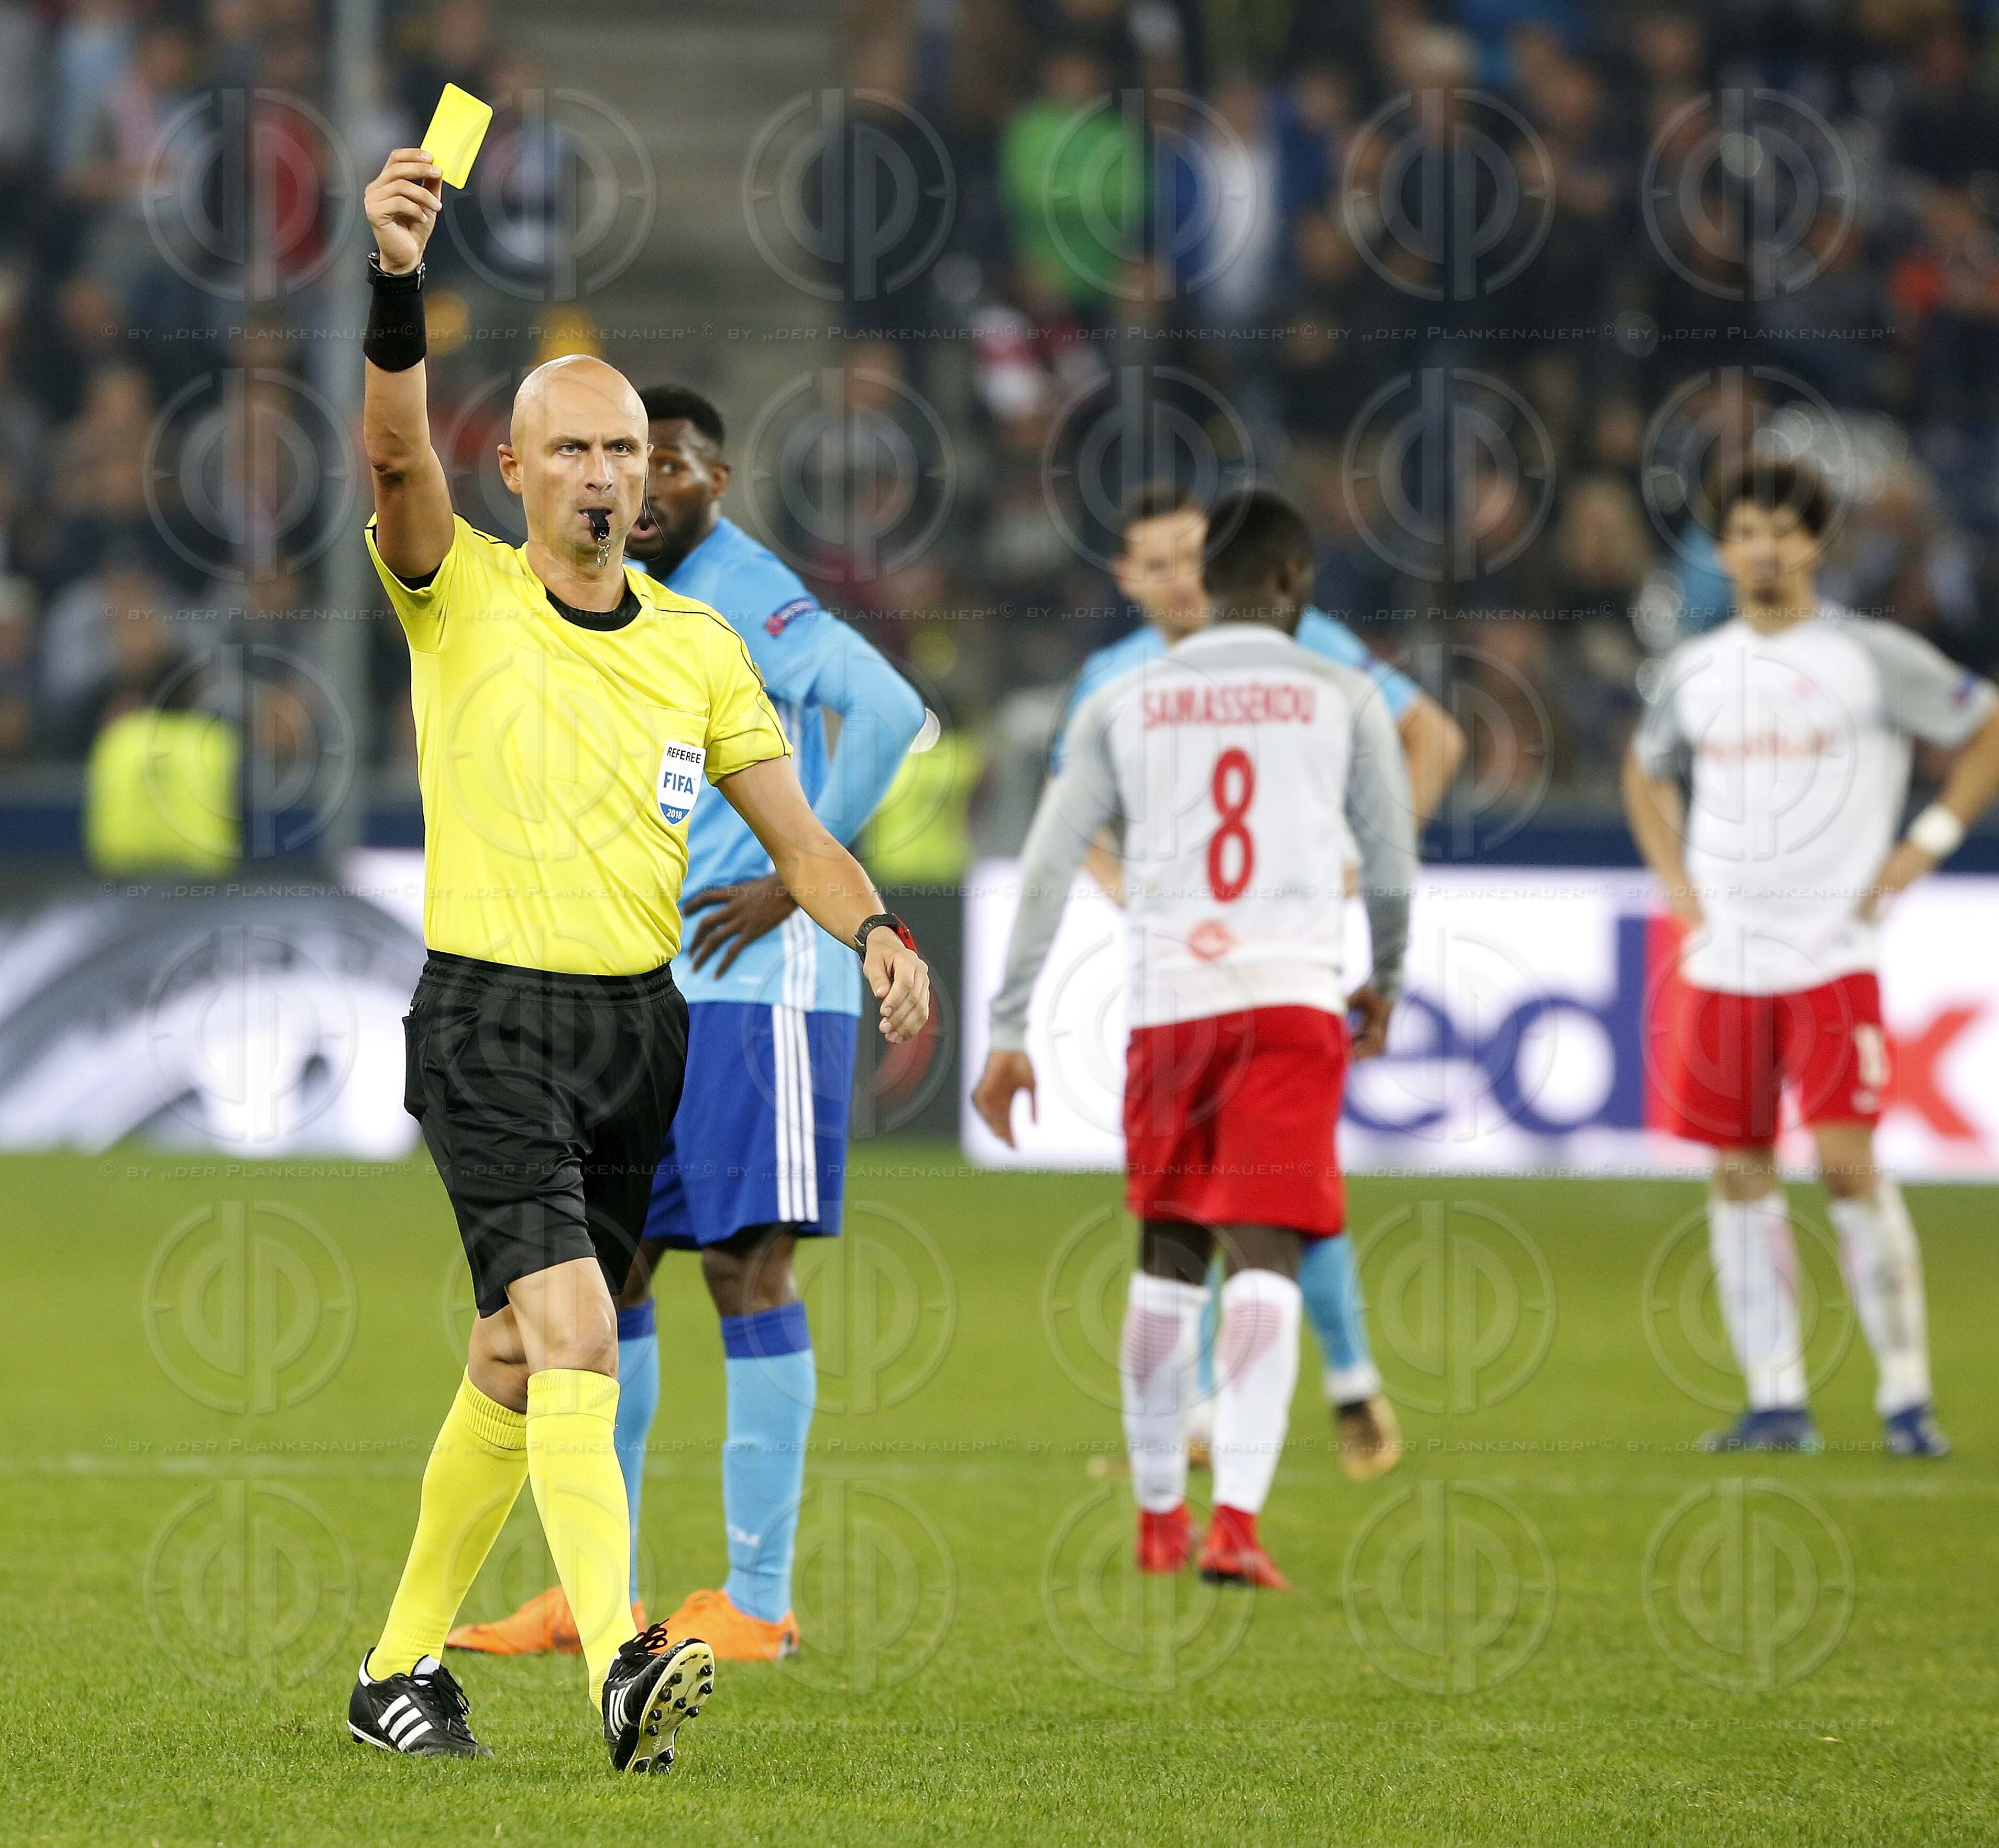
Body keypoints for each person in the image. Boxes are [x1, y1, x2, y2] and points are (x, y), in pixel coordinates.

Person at [346, 148, 930, 1772]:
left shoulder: (697, 646)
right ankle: (622, 1658)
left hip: (640, 1032)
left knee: (513, 1362)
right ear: (518, 471)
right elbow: (392, 445)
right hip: (488, 1025)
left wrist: (873, 928)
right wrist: (395, 283)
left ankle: (398, 1671)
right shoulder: (452, 591)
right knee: (587, 1336)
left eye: (627, 449)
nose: (608, 471)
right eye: (576, 448)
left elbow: (796, 832)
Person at [446, 383, 925, 1664]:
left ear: (718, 476)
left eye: (670, 463)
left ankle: (759, 1602)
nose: (644, 487)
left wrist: (797, 877)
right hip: (663, 987)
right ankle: (604, 1595)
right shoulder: (628, 603)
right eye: (623, 460)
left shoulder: (747, 589)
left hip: (764, 991)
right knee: (618, 1277)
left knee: (745, 1268)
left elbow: (889, 711)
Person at [973, 489, 1416, 1588]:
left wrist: (1009, 1025)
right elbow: (1395, 865)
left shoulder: (1124, 697)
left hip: (1172, 1005)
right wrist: (1388, 977)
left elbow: (1045, 863)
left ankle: (1159, 1517)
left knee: (1168, 1261)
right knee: (1264, 1256)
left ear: (1208, 581)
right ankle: (1240, 1528)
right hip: (1290, 998)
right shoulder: (1344, 693)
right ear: (1296, 587)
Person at [1052, 480, 1463, 1483]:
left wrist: (1370, 849)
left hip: (1283, 959)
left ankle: (1351, 1381)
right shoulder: (1114, 674)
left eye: (1194, 555)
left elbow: (1437, 738)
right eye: (1157, 564)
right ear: (1128, 578)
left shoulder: (1304, 638)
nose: (1181, 579)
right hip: (1178, 973)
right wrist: (1122, 891)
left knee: (1279, 1184)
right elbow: (1073, 817)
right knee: (1192, 1198)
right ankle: (1197, 1424)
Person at [1623, 457, 1999, 1457]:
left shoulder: (1870, 656)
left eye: (1782, 533)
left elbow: (1986, 723)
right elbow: (1643, 765)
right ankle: (1776, 1397)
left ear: (1818, 545)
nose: (1764, 549)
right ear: (1722, 548)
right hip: (1724, 963)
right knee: (1739, 1172)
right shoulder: (1695, 669)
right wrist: (1674, 875)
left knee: (1846, 1167)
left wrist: (1927, 845)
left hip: (1832, 953)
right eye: (1744, 532)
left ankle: (1905, 1396)